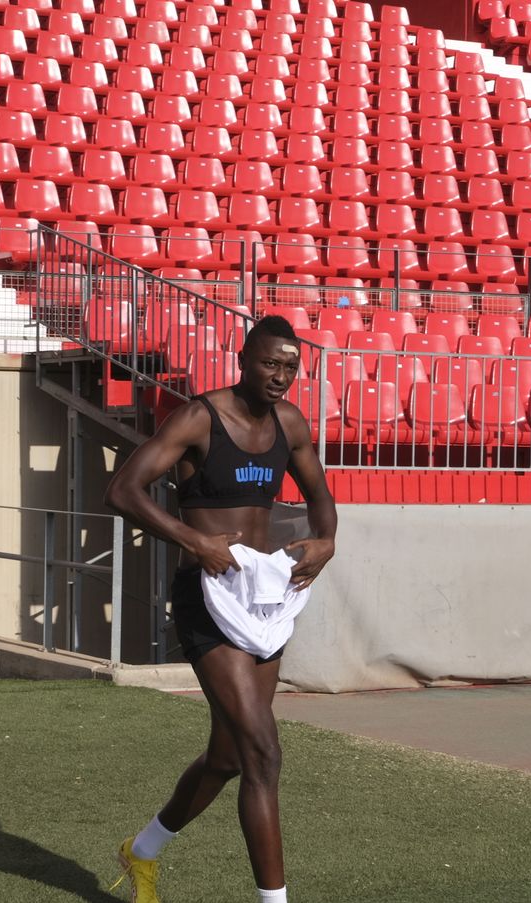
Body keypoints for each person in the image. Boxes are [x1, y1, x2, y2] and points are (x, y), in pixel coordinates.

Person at [104, 316, 337, 903]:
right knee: (264, 750)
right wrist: (195, 540)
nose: (281, 376)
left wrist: (326, 540)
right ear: (243, 357)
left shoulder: (290, 423)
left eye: (290, 366)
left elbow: (320, 497)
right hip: (206, 600)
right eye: (269, 363)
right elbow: (123, 489)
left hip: (264, 599)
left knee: (231, 754)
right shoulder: (198, 417)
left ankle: (143, 851)